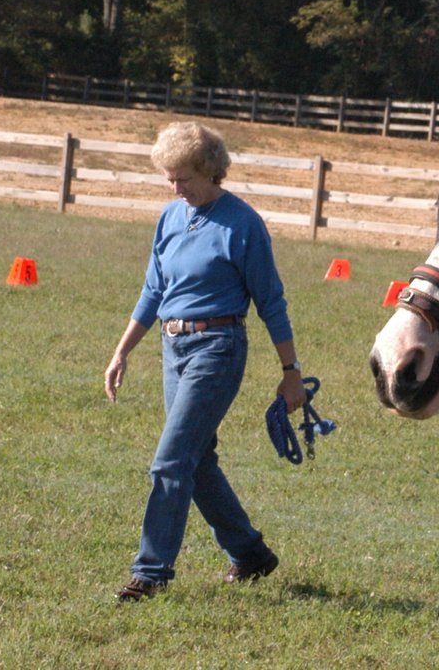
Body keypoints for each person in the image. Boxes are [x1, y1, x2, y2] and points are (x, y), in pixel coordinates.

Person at [104, 121, 307, 600]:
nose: (176, 188)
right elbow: (155, 290)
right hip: (172, 348)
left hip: (218, 349)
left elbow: (271, 302)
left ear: (212, 172)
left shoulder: (243, 224)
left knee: (170, 462)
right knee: (197, 461)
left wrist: (291, 373)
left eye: (185, 179)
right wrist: (122, 350)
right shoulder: (170, 217)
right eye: (169, 179)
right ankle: (251, 554)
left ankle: (149, 573)